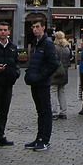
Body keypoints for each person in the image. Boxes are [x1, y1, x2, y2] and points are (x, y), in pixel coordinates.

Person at [24, 19, 59, 152]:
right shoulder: (36, 43)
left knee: (46, 111)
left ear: (43, 28)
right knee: (40, 111)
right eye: (33, 27)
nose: (35, 29)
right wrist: (30, 74)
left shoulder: (48, 43)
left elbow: (53, 63)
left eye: (37, 27)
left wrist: (41, 76)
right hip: (35, 82)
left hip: (42, 83)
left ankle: (45, 140)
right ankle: (39, 137)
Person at [51, 31, 71, 120]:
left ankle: (53, 111)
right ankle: (64, 111)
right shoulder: (67, 48)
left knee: (53, 91)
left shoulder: (55, 48)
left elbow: (53, 60)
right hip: (65, 72)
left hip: (56, 72)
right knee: (62, 91)